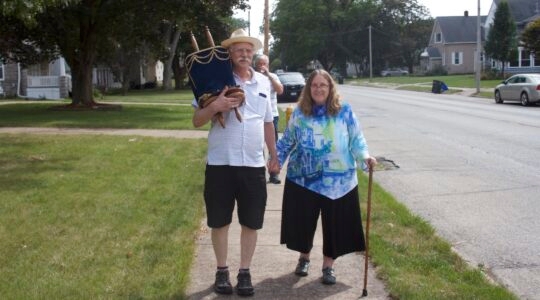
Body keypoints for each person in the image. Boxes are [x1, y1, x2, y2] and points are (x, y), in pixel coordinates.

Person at [192, 28, 280, 296]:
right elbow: (197, 121)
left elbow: (268, 123)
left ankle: (244, 272)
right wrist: (216, 106)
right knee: (219, 221)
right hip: (221, 163)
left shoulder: (264, 83)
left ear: (254, 54)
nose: (244, 54)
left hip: (253, 165)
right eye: (239, 50)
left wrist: (274, 155)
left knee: (251, 222)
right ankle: (221, 271)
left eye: (248, 50)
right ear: (229, 53)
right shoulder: (213, 81)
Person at [276, 69, 377, 285]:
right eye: (314, 85)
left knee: (335, 225)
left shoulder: (344, 111)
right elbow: (287, 140)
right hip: (304, 179)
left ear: (330, 88)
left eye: (323, 85)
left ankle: (328, 266)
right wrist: (276, 159)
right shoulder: (300, 113)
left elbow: (356, 139)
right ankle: (304, 259)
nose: (319, 89)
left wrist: (365, 158)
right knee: (303, 223)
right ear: (308, 89)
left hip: (339, 183)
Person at [254, 54, 284, 184]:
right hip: (257, 117)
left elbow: (280, 90)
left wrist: (269, 76)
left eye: (264, 64)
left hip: (273, 116)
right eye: (259, 64)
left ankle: (274, 173)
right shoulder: (252, 77)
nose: (262, 66)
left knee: (273, 146)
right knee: (257, 145)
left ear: (268, 65)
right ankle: (258, 173)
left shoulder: (274, 77)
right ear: (255, 65)